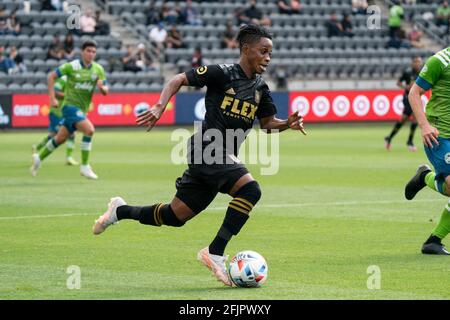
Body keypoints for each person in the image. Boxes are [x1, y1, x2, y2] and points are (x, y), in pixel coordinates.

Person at [91, 24, 306, 286]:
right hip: (207, 148)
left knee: (174, 216)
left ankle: (119, 211)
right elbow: (177, 79)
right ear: (246, 49)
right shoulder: (222, 73)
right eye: (263, 51)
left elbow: (269, 123)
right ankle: (215, 252)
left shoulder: (261, 88)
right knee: (251, 190)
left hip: (222, 158)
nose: (268, 58)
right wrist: (160, 106)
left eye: (270, 53)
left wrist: (288, 124)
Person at [30, 40, 109, 180]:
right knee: (89, 130)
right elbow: (51, 76)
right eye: (88, 51)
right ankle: (85, 166)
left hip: (82, 109)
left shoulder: (98, 69)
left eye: (93, 52)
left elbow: (106, 90)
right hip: (69, 107)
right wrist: (52, 98)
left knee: (60, 138)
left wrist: (102, 88)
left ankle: (39, 158)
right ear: (82, 52)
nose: (91, 54)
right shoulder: (72, 66)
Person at [405, 47, 450, 255]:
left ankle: (425, 177)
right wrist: (424, 126)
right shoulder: (439, 61)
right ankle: (433, 240)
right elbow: (414, 93)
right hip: (439, 135)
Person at [32, 75, 79, 166]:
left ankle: (36, 148)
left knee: (54, 135)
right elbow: (55, 91)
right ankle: (68, 158)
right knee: (70, 134)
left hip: (65, 113)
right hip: (57, 113)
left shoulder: (74, 81)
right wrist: (67, 96)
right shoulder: (63, 79)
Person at [385, 56, 423, 152]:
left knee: (405, 120)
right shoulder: (408, 73)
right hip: (408, 98)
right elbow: (398, 82)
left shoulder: (422, 73)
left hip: (417, 98)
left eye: (419, 62)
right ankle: (409, 142)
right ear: (412, 63)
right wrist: (405, 87)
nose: (418, 64)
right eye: (416, 62)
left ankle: (390, 137)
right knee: (413, 118)